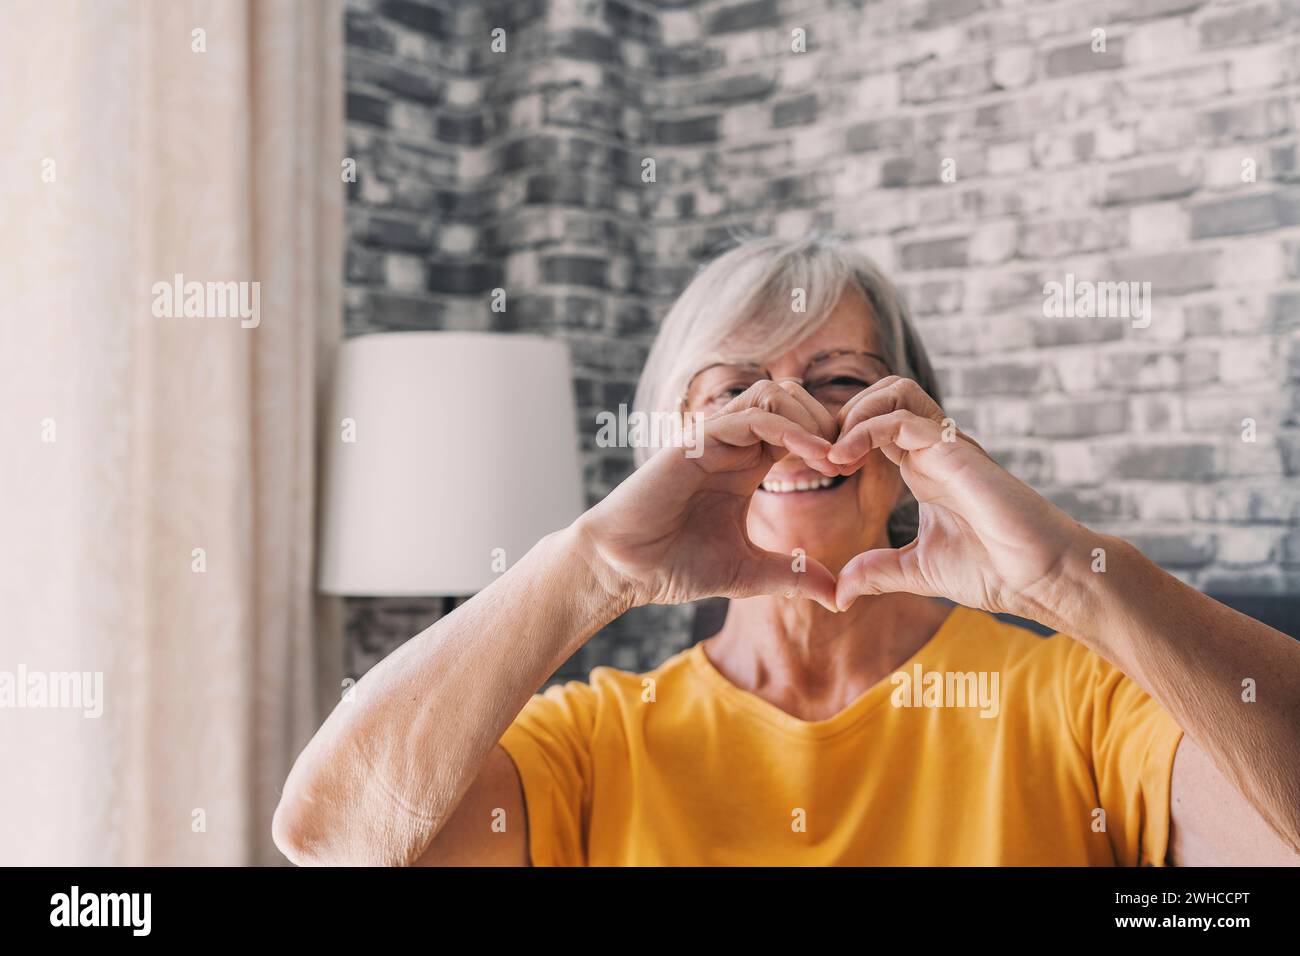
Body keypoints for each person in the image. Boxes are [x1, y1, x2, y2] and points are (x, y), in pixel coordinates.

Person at [273, 237, 1300, 866]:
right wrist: (592, 566)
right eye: (733, 395)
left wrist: (1068, 576)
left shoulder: (1075, 706)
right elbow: (328, 837)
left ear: (917, 436)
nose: (788, 427)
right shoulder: (596, 742)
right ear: (666, 449)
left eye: (842, 381)